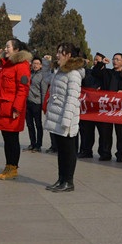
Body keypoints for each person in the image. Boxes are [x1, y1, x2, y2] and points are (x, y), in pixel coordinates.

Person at [43, 42, 85, 192]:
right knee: (61, 152)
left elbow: (72, 98)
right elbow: (47, 79)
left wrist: (66, 121)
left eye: (61, 52)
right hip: (57, 117)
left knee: (68, 152)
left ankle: (69, 181)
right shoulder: (59, 72)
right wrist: (46, 64)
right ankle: (61, 179)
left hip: (66, 120)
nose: (57, 55)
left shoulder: (73, 74)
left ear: (68, 55)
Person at [0, 39, 32, 180]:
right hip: (2, 109)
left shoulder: (21, 66)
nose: (5, 49)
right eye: (5, 46)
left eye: (8, 47)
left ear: (16, 50)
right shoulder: (5, 65)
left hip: (13, 110)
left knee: (13, 139)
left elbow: (23, 89)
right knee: (6, 139)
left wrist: (17, 109)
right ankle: (8, 166)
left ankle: (13, 168)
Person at [92, 53, 122, 162]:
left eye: (118, 59)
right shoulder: (107, 72)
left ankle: (120, 154)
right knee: (106, 132)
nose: (115, 61)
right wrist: (102, 63)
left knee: (120, 133)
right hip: (107, 108)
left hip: (120, 108)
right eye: (114, 59)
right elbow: (95, 72)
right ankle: (106, 153)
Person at [77, 53, 103, 159]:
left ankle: (104, 153)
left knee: (102, 132)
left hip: (99, 108)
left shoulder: (105, 74)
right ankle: (85, 150)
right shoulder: (87, 72)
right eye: (95, 60)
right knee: (85, 131)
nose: (96, 62)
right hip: (86, 107)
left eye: (98, 60)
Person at [25, 57, 48, 152]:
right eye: (34, 63)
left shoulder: (42, 75)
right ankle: (32, 143)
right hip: (27, 102)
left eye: (38, 63)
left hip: (37, 103)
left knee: (38, 124)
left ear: (41, 65)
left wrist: (43, 105)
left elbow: (44, 92)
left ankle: (38, 145)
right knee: (29, 124)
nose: (35, 65)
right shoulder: (29, 73)